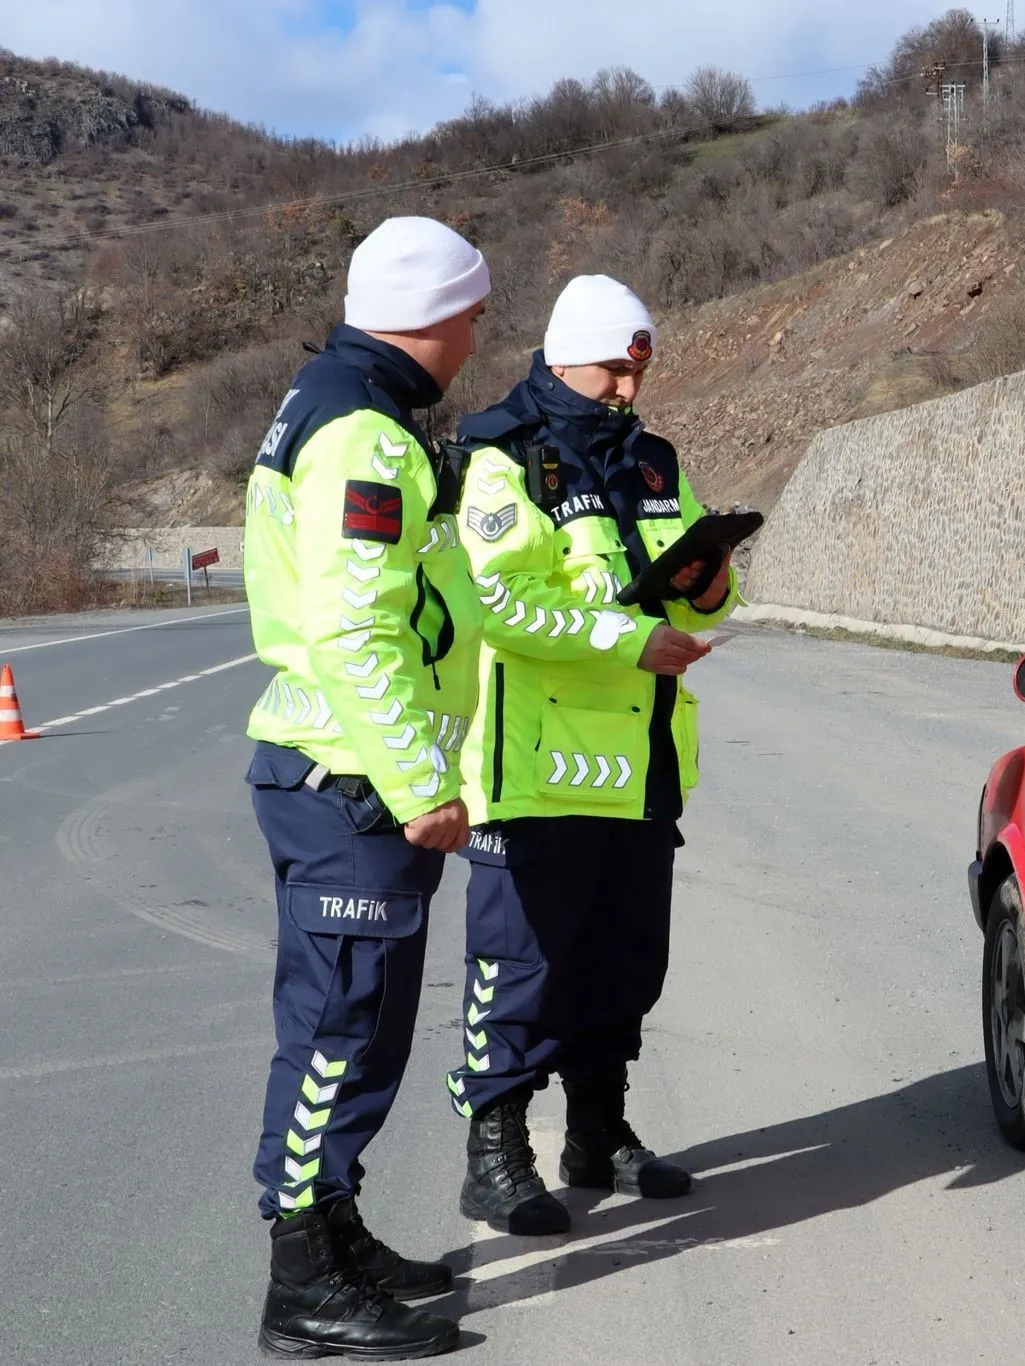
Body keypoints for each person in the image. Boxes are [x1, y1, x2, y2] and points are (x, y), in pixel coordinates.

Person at [443, 274, 737, 1236]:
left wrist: (709, 580)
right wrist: (626, 641)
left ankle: (597, 1136)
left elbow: (704, 598)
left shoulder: (656, 460)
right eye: (614, 367)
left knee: (622, 965)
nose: (627, 388)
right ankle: (496, 1156)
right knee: (524, 968)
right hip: (539, 770)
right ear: (566, 351)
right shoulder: (504, 456)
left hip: (641, 766)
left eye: (639, 369)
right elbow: (502, 603)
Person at [242, 216, 490, 1359]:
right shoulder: (364, 432)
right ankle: (301, 1278)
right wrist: (418, 781)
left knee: (360, 1031)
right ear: (435, 316)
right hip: (350, 777)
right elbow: (354, 631)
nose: (476, 337)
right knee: (339, 1030)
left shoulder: (340, 405)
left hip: (339, 774)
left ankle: (333, 1229)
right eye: (472, 316)